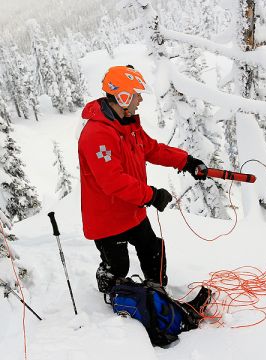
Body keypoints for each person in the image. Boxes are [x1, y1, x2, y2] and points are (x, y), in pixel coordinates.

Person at [78, 65, 207, 294]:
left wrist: (186, 161)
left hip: (131, 208)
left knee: (153, 249)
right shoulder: (97, 135)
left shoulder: (128, 125)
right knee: (118, 267)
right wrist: (152, 195)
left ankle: (157, 292)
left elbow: (152, 149)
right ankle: (109, 285)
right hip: (107, 216)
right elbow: (113, 181)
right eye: (136, 94)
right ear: (123, 96)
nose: (139, 99)